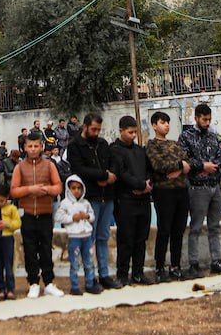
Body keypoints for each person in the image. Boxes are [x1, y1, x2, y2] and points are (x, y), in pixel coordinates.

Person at [66, 113, 119, 290]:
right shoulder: (74, 146)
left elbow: (112, 162)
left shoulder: (103, 144)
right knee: (90, 238)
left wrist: (110, 176)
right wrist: (102, 176)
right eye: (93, 129)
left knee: (103, 236)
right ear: (85, 126)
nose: (96, 133)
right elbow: (79, 169)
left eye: (98, 129)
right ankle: (91, 277)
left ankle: (104, 274)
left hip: (107, 195)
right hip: (90, 197)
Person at [11, 129, 63, 298]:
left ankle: (48, 282)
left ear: (41, 146)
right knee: (30, 250)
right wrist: (30, 189)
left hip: (46, 214)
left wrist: (46, 189)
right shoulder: (19, 167)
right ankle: (33, 282)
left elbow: (58, 187)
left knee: (46, 249)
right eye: (30, 146)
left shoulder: (49, 165)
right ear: (25, 147)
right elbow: (14, 191)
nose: (33, 149)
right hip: (28, 215)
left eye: (36, 146)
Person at [181, 104, 221, 277]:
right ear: (196, 118)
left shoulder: (214, 137)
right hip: (197, 187)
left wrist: (212, 167)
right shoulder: (186, 137)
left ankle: (216, 260)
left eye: (209, 119)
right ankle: (194, 263)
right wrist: (202, 166)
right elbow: (184, 158)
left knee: (214, 226)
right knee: (196, 227)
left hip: (215, 185)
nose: (207, 123)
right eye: (204, 119)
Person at [144, 111, 189, 282]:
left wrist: (178, 168)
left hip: (181, 190)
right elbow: (158, 165)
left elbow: (188, 162)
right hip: (164, 191)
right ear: (155, 125)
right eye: (163, 122)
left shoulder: (175, 144)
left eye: (168, 122)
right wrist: (179, 165)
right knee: (164, 230)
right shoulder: (152, 145)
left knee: (179, 230)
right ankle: (159, 266)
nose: (166, 125)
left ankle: (175, 266)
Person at [111, 116, 153, 286]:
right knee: (126, 239)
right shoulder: (114, 150)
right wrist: (139, 184)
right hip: (126, 200)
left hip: (143, 199)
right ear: (121, 130)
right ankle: (122, 274)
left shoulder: (140, 150)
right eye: (130, 132)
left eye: (135, 132)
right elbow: (121, 173)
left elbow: (149, 170)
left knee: (141, 239)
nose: (133, 135)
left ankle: (138, 272)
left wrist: (147, 185)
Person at [55, 175, 97, 295]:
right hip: (74, 237)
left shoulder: (86, 203)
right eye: (73, 188)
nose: (76, 190)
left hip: (87, 236)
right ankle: (74, 286)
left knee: (89, 262)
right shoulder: (65, 203)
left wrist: (87, 217)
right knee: (74, 263)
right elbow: (58, 217)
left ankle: (90, 284)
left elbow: (92, 216)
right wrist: (72, 218)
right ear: (69, 189)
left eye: (79, 188)